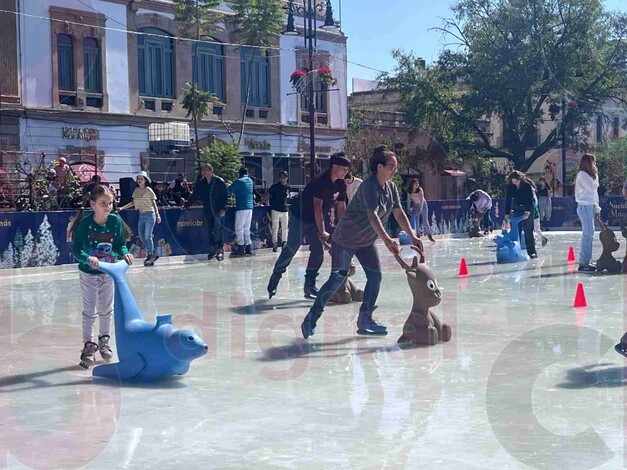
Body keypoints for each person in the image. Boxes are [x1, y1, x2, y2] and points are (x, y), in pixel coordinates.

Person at [300, 145, 425, 338]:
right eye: (391, 166)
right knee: (337, 279)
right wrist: (386, 240)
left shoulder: (391, 188)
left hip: (366, 242)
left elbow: (399, 213)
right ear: (380, 167)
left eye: (396, 167)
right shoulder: (369, 186)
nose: (395, 170)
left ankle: (365, 318)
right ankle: (311, 318)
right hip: (345, 240)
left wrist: (413, 235)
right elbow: (373, 216)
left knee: (375, 277)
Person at [267, 152, 351, 299]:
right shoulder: (319, 182)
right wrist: (322, 231)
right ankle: (275, 277)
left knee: (318, 253)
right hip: (300, 216)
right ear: (334, 167)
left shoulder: (340, 184)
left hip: (316, 219)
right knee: (292, 248)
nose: (346, 172)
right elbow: (317, 208)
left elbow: (341, 207)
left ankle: (309, 286)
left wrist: (343, 228)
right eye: (344, 169)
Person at [68, 185, 134, 369]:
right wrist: (87, 258)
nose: (108, 206)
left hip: (108, 271)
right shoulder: (85, 224)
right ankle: (89, 346)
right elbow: (77, 249)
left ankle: (104, 341)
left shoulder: (114, 221)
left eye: (110, 203)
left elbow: (120, 244)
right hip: (89, 273)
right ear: (93, 204)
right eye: (103, 203)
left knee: (106, 308)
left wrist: (125, 254)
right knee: (90, 310)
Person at [183, 164, 228, 261]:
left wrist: (223, 208)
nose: (204, 172)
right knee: (208, 231)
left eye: (206, 170)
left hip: (217, 210)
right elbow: (194, 195)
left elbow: (225, 195)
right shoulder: (201, 183)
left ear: (211, 171)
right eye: (203, 170)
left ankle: (220, 251)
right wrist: (186, 205)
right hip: (208, 210)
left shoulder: (219, 181)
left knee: (217, 231)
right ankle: (215, 248)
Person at [119, 171, 161, 266]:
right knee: (142, 237)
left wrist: (158, 214)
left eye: (141, 179)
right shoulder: (136, 190)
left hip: (150, 214)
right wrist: (122, 208)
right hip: (141, 215)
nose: (139, 180)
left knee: (147, 235)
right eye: (138, 179)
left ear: (145, 180)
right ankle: (153, 252)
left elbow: (154, 203)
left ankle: (150, 255)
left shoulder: (149, 190)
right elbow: (133, 203)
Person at [575, 154, 602, 272]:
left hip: (589, 206)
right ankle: (584, 262)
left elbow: (594, 194)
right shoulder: (582, 175)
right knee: (588, 234)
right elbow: (592, 188)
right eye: (593, 162)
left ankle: (586, 260)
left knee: (589, 234)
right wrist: (596, 176)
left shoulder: (588, 176)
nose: (595, 165)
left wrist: (597, 209)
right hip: (584, 206)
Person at [504, 170, 537, 259]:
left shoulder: (526, 186)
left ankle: (532, 252)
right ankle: (515, 252)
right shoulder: (510, 187)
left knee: (528, 232)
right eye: (513, 182)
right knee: (515, 232)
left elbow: (530, 200)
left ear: (520, 179)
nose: (515, 183)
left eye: (517, 181)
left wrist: (527, 211)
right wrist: (507, 213)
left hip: (527, 210)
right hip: (516, 210)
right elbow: (508, 200)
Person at [228, 167, 255, 257]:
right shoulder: (250, 181)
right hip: (250, 207)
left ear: (239, 174)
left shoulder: (238, 181)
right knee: (247, 228)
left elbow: (229, 191)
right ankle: (248, 248)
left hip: (241, 207)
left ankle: (240, 248)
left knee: (239, 228)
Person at [407, 178, 435, 243]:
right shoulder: (409, 191)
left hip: (423, 205)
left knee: (425, 220)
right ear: (412, 185)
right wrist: (408, 209)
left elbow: (422, 200)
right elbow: (408, 200)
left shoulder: (420, 190)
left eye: (418, 184)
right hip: (415, 205)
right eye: (416, 184)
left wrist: (421, 208)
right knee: (416, 221)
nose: (417, 185)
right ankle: (418, 235)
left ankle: (429, 235)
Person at [268, 171, 290, 252]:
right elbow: (269, 194)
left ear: (287, 178)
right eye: (281, 177)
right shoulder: (275, 186)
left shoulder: (288, 187)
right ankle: (275, 243)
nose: (282, 179)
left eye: (284, 177)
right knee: (275, 227)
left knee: (285, 227)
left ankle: (284, 242)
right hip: (276, 209)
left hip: (284, 209)